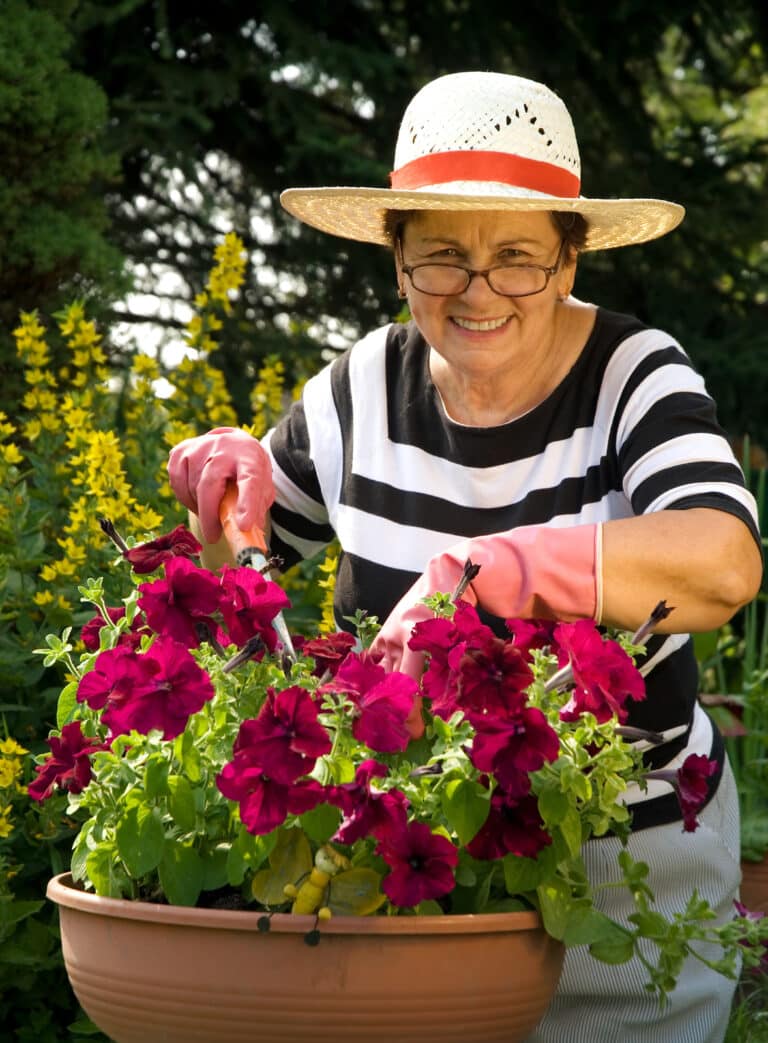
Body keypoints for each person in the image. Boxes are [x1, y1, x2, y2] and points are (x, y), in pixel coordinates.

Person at [168, 71, 762, 1042]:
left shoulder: (633, 373)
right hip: (416, 869)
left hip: (622, 870)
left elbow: (725, 559)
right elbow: (252, 581)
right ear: (396, 261)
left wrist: (500, 574)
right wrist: (222, 498)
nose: (480, 292)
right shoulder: (358, 387)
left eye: (518, 256)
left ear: (570, 261)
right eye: (442, 255)